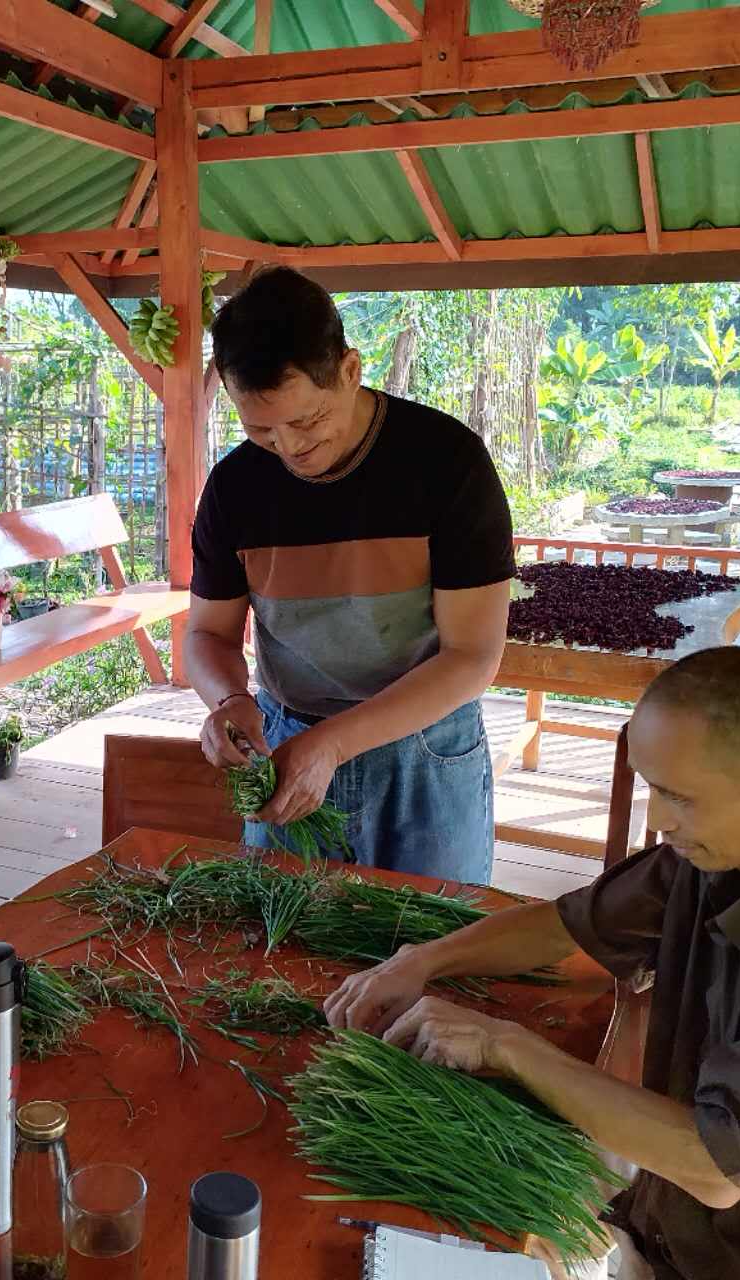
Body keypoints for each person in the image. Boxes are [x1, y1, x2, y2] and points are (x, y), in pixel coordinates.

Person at [325, 647, 740, 1280]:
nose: (656, 819)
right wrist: (421, 960)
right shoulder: (717, 858)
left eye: (676, 796)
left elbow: (717, 1168)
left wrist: (502, 1043)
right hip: (672, 1230)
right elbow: (566, 924)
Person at [186, 266, 514, 883]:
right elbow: (208, 634)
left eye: (306, 420)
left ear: (350, 370)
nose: (288, 447)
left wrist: (336, 742)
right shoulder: (235, 487)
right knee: (282, 931)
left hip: (425, 745)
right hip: (285, 738)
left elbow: (473, 656)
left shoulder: (447, 463)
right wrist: (229, 701)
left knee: (434, 931)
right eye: (259, 428)